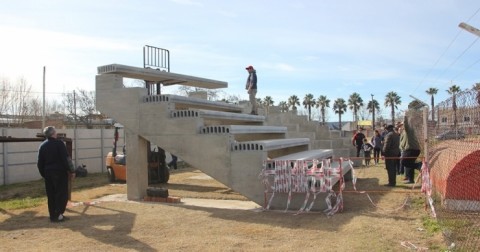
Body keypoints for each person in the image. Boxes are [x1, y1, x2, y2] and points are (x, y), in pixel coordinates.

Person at [37, 126, 75, 222]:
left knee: (51, 195)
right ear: (53, 133)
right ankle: (58, 214)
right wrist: (72, 170)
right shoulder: (59, 144)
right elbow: (66, 159)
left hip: (48, 173)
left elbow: (39, 163)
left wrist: (44, 174)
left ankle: (53, 215)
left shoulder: (42, 146)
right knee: (61, 194)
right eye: (56, 132)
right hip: (59, 172)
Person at [399, 115, 422, 184]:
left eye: (402, 125)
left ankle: (419, 165)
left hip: (412, 149)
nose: (402, 126)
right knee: (409, 164)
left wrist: (405, 116)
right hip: (413, 149)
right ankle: (411, 179)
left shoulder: (409, 129)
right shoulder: (406, 131)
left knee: (403, 162)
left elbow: (406, 125)